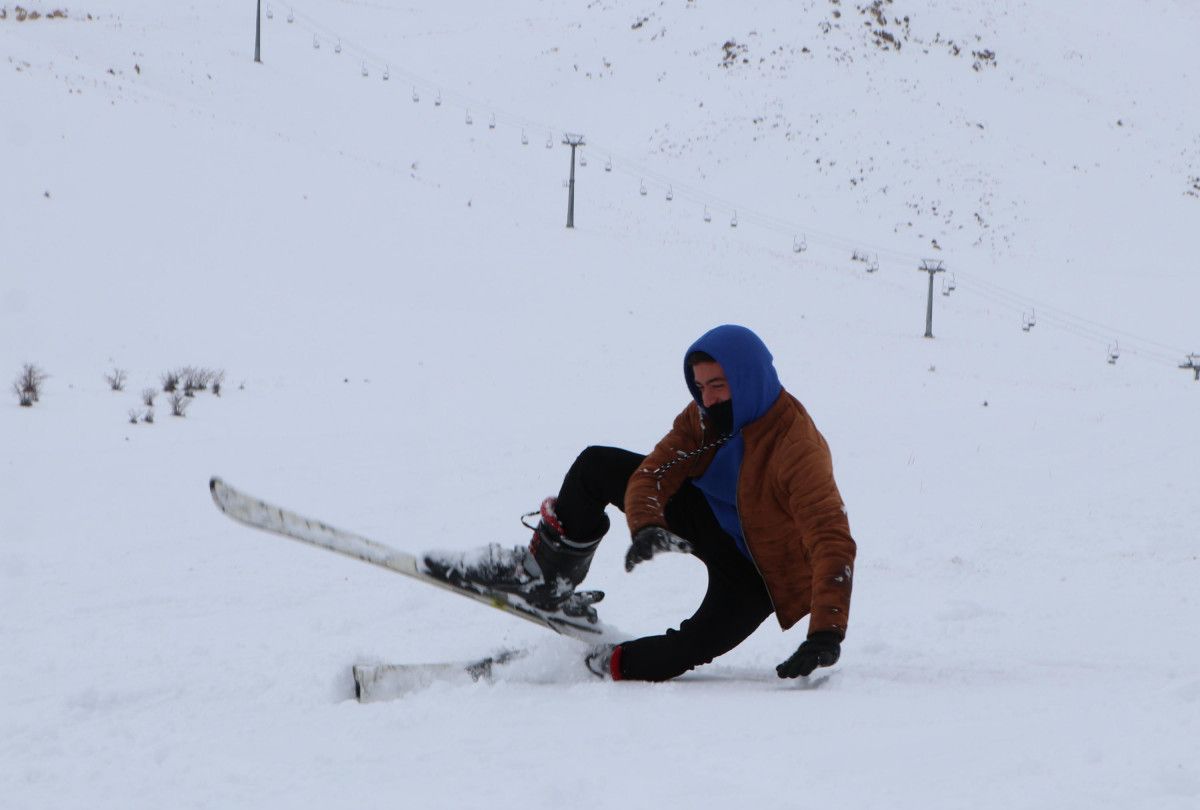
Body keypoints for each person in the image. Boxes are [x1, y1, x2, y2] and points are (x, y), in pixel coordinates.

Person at [425, 324, 856, 682]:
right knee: (596, 465)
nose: (708, 399)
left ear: (748, 378)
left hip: (760, 571)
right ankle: (547, 575)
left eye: (719, 386)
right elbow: (653, 473)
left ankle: (597, 663)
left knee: (683, 651)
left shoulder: (797, 448)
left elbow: (831, 538)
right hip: (708, 517)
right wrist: (646, 523)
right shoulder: (702, 420)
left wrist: (826, 633)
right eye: (701, 386)